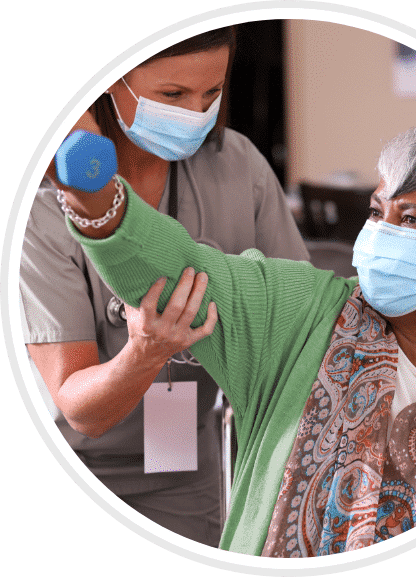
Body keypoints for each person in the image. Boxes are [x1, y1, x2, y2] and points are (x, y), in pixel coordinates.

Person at [55, 126, 416, 557]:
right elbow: (175, 266)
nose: (379, 234)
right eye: (378, 211)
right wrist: (93, 195)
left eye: (412, 220)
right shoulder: (295, 313)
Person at [19, 26, 309, 547]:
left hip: (181, 461)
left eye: (211, 94)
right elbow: (81, 409)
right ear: (111, 80)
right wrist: (146, 353)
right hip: (72, 463)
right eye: (172, 95)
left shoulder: (238, 166)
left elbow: (299, 320)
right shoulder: (44, 202)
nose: (195, 114)